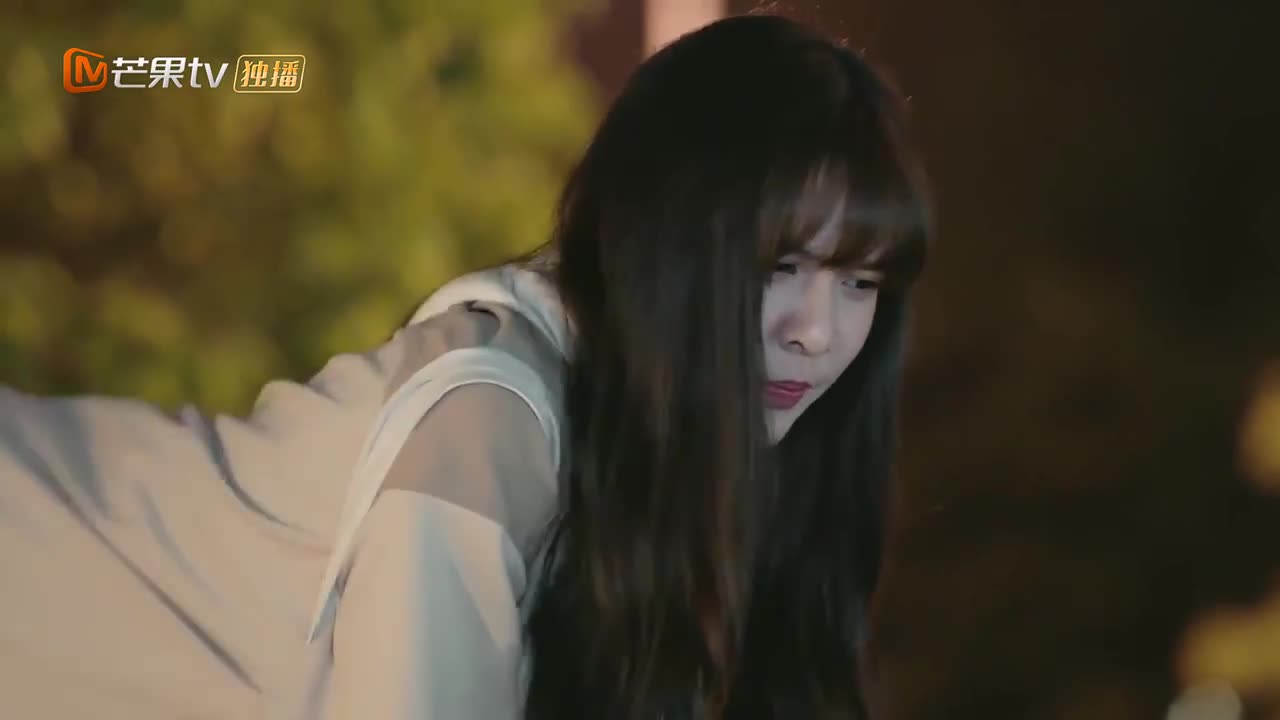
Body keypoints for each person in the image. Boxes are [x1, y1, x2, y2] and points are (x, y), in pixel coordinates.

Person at [0, 12, 930, 720]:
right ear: (671, 245)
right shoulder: (489, 425)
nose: (817, 332)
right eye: (779, 267)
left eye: (860, 281)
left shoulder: (722, 458)